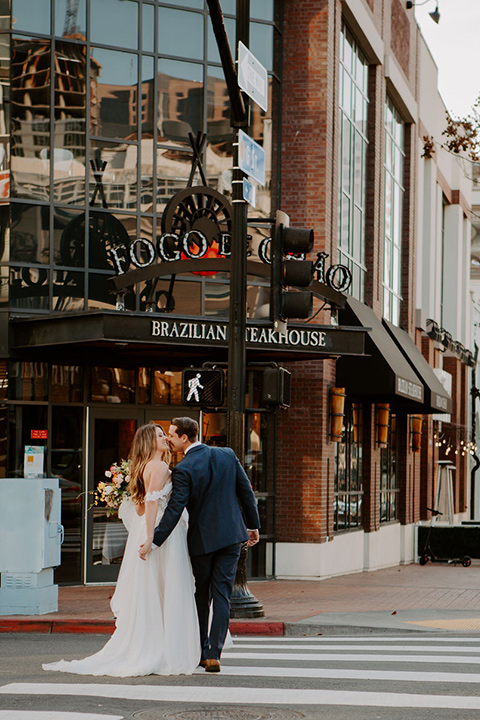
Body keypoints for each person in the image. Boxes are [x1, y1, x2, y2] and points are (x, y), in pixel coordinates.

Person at [43, 423, 200, 677]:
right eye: (160, 436)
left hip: (151, 530)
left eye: (165, 435)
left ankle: (156, 643)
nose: (165, 439)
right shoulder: (159, 467)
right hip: (162, 535)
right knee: (167, 588)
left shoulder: (146, 468)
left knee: (154, 590)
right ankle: (165, 649)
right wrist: (151, 538)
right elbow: (149, 506)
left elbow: (139, 508)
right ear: (149, 441)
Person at [139, 416, 260, 674]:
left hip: (203, 542)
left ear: (184, 437)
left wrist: (155, 539)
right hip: (231, 537)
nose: (169, 440)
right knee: (223, 595)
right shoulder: (228, 455)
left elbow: (175, 508)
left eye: (172, 435)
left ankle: (200, 650)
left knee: (201, 595)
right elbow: (245, 492)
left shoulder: (184, 468)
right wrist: (252, 526)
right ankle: (214, 654)